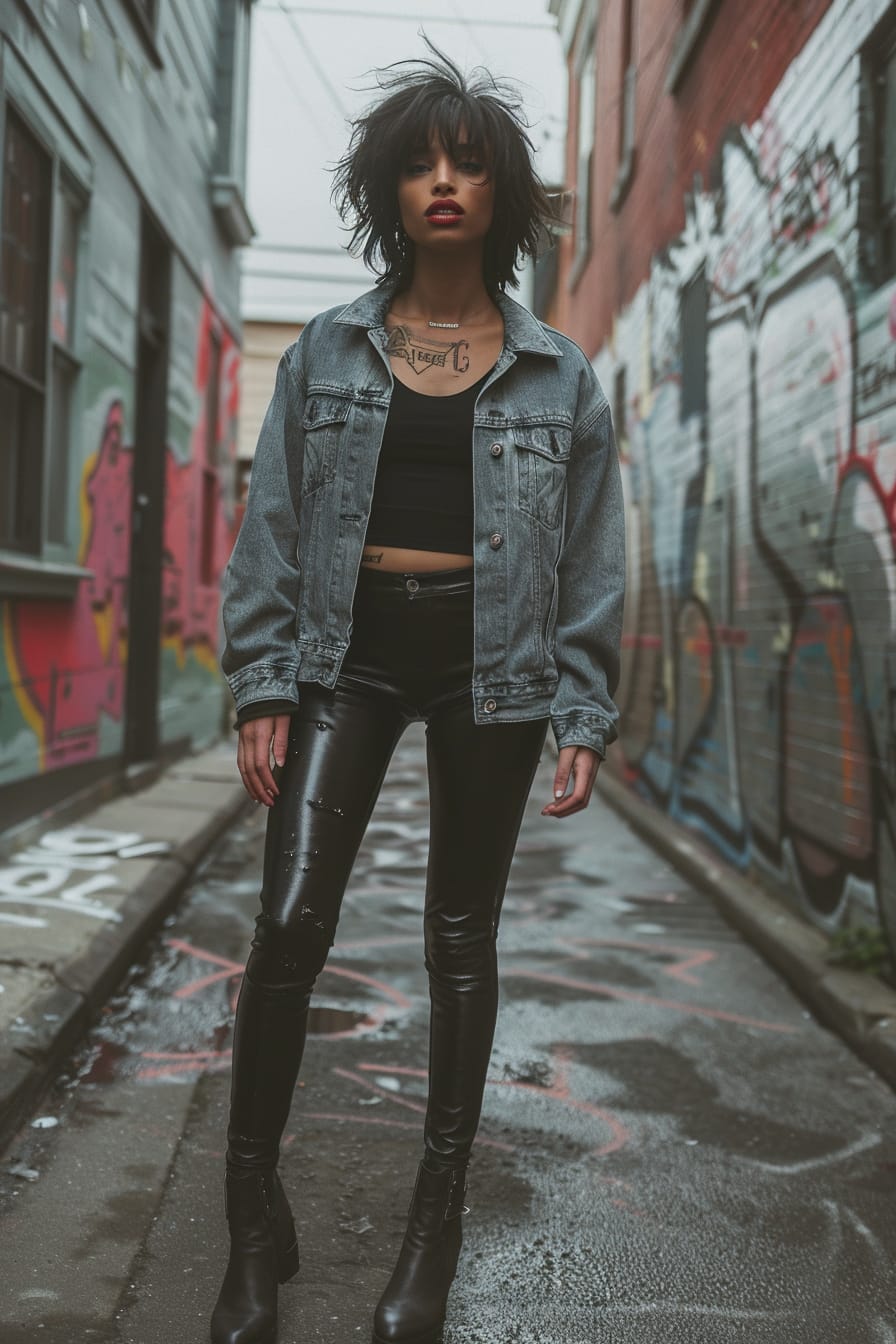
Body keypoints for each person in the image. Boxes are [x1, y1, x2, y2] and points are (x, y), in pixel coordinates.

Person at [213, 43, 624, 1344]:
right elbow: (270, 522)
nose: (442, 182)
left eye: (466, 162)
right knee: (288, 922)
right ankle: (250, 1230)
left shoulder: (559, 375)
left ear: (499, 193)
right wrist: (262, 679)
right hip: (346, 652)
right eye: (418, 163)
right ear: (386, 190)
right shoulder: (327, 350)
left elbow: (593, 552)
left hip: (490, 665)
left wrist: (583, 700)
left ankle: (427, 1244)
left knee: (459, 940)